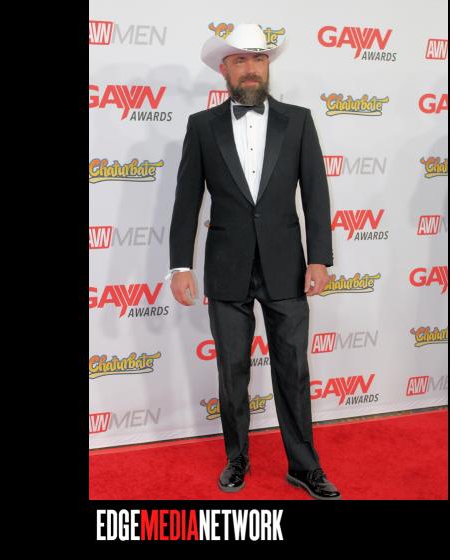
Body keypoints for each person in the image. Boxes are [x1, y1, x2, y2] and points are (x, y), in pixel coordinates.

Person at [166, 23, 341, 500]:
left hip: (287, 265)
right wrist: (179, 266)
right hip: (227, 266)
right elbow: (186, 201)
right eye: (240, 60)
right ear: (224, 69)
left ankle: (304, 466)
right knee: (232, 371)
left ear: (268, 65)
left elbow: (316, 193)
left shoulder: (298, 120)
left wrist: (320, 258)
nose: (251, 68)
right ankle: (237, 459)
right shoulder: (202, 127)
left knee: (293, 370)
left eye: (258, 59)